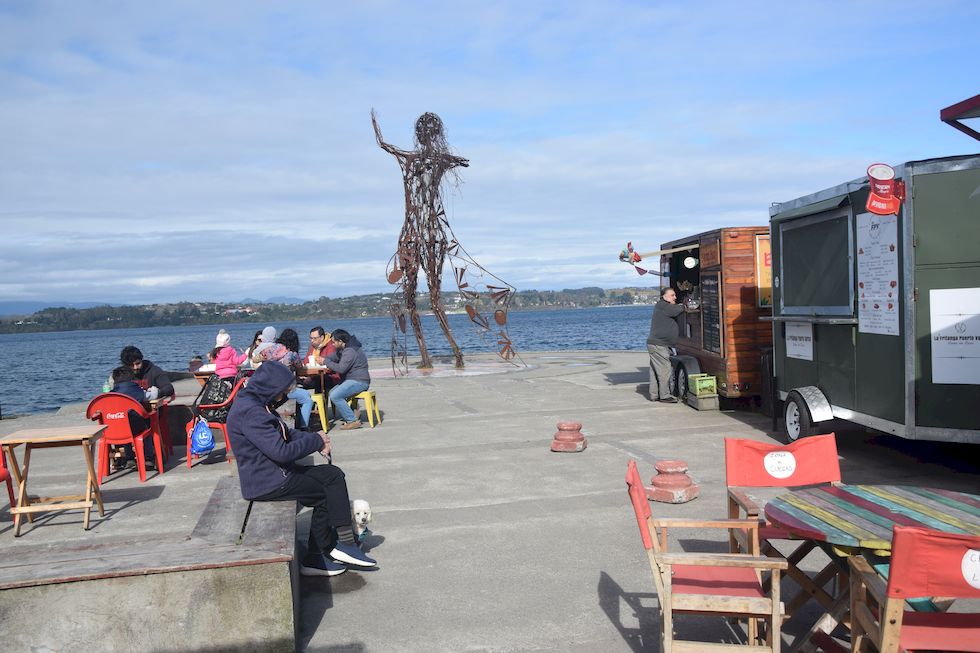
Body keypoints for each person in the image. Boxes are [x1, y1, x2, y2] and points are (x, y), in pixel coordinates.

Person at [226, 360, 377, 576]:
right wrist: (315, 441)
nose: (283, 396)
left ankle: (333, 548)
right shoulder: (252, 413)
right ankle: (332, 550)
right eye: (282, 391)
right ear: (270, 388)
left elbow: (284, 434)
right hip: (268, 483)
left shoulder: (256, 404)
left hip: (275, 474)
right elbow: (281, 451)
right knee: (326, 489)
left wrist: (317, 437)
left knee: (332, 475)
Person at [254, 328, 314, 429]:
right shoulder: (292, 354)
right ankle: (304, 427)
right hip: (284, 389)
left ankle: (299, 423)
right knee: (307, 399)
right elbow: (300, 367)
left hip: (268, 387)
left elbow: (255, 359)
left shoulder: (269, 350)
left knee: (302, 395)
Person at [322, 329, 371, 430]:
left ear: (340, 341)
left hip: (359, 381)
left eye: (334, 342)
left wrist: (325, 362)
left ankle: (352, 420)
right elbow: (333, 356)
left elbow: (341, 368)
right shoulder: (344, 349)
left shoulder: (350, 351)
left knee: (335, 395)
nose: (333, 345)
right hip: (353, 380)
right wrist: (325, 359)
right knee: (333, 391)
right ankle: (354, 411)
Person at [108, 366, 155, 470]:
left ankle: (129, 459)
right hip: (137, 428)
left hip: (115, 430)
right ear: (132, 378)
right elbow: (151, 396)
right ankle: (148, 458)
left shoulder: (111, 395)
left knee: (123, 423)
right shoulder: (138, 391)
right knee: (147, 423)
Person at [647, 286, 686, 403]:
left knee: (654, 371)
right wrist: (685, 305)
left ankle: (654, 395)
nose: (675, 297)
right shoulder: (664, 306)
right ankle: (664, 395)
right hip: (659, 345)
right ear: (664, 297)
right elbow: (677, 310)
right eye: (672, 295)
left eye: (675, 295)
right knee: (665, 369)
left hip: (655, 344)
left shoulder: (662, 306)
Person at [301, 326, 341, 394]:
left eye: (315, 338)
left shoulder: (331, 346)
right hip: (314, 375)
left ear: (322, 337)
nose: (312, 340)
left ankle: (319, 403)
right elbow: (306, 362)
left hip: (332, 376)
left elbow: (329, 368)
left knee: (318, 380)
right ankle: (306, 402)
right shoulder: (312, 346)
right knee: (294, 382)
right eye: (311, 338)